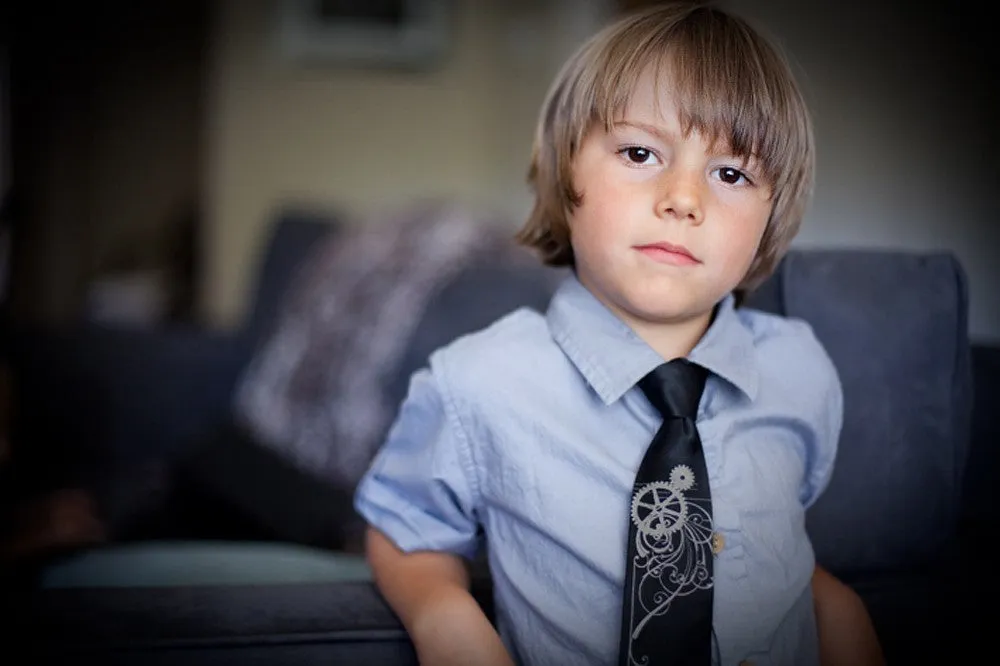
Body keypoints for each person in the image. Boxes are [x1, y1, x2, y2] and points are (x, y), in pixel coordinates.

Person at [354, 3, 883, 665]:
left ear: (771, 216)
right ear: (566, 172)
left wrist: (837, 608)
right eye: (640, 152)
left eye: (731, 173)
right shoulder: (479, 380)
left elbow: (769, 541)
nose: (683, 197)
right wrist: (442, 615)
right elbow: (404, 529)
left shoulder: (801, 371)